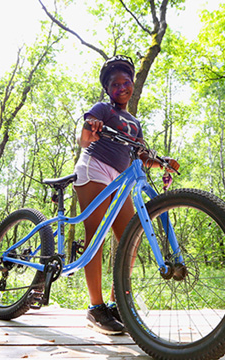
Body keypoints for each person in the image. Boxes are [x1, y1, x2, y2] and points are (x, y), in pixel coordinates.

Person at [73, 55, 180, 335]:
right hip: (94, 167)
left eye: (126, 82)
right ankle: (95, 309)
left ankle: (116, 302)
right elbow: (84, 138)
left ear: (132, 85)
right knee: (95, 236)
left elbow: (143, 154)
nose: (122, 87)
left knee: (130, 240)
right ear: (108, 89)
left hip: (121, 179)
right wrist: (91, 128)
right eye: (115, 84)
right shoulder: (102, 109)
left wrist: (163, 161)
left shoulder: (134, 122)